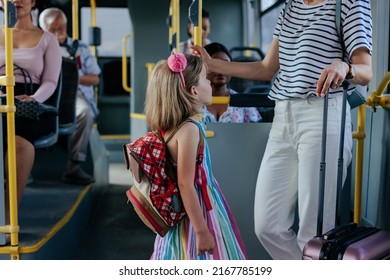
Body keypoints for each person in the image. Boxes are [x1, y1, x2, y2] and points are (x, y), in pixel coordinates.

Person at [193, 0, 372, 259]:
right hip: (283, 115)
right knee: (268, 227)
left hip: (322, 113)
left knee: (314, 233)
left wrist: (345, 67)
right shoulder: (291, 7)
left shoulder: (349, 3)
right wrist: (213, 64)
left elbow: (366, 70)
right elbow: (267, 68)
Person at [145, 52, 247, 260]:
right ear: (193, 90)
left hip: (181, 213)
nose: (209, 83)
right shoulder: (190, 129)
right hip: (197, 212)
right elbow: (185, 183)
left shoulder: (171, 127)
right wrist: (201, 231)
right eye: (205, 79)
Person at [0, 0, 61, 232]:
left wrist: (34, 99)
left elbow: (50, 82)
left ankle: (7, 215)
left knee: (19, 144)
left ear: (33, 1)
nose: (16, 0)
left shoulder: (47, 39)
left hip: (28, 103)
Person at [39, 7, 101, 185]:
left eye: (61, 28)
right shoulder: (39, 48)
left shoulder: (80, 48)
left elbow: (95, 78)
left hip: (73, 96)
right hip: (45, 94)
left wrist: (72, 78)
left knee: (85, 113)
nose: (58, 33)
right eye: (52, 30)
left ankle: (73, 166)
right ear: (44, 30)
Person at [202, 42, 262, 124]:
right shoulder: (192, 102)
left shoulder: (244, 102)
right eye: (215, 64)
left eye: (226, 64)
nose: (221, 70)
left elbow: (255, 132)